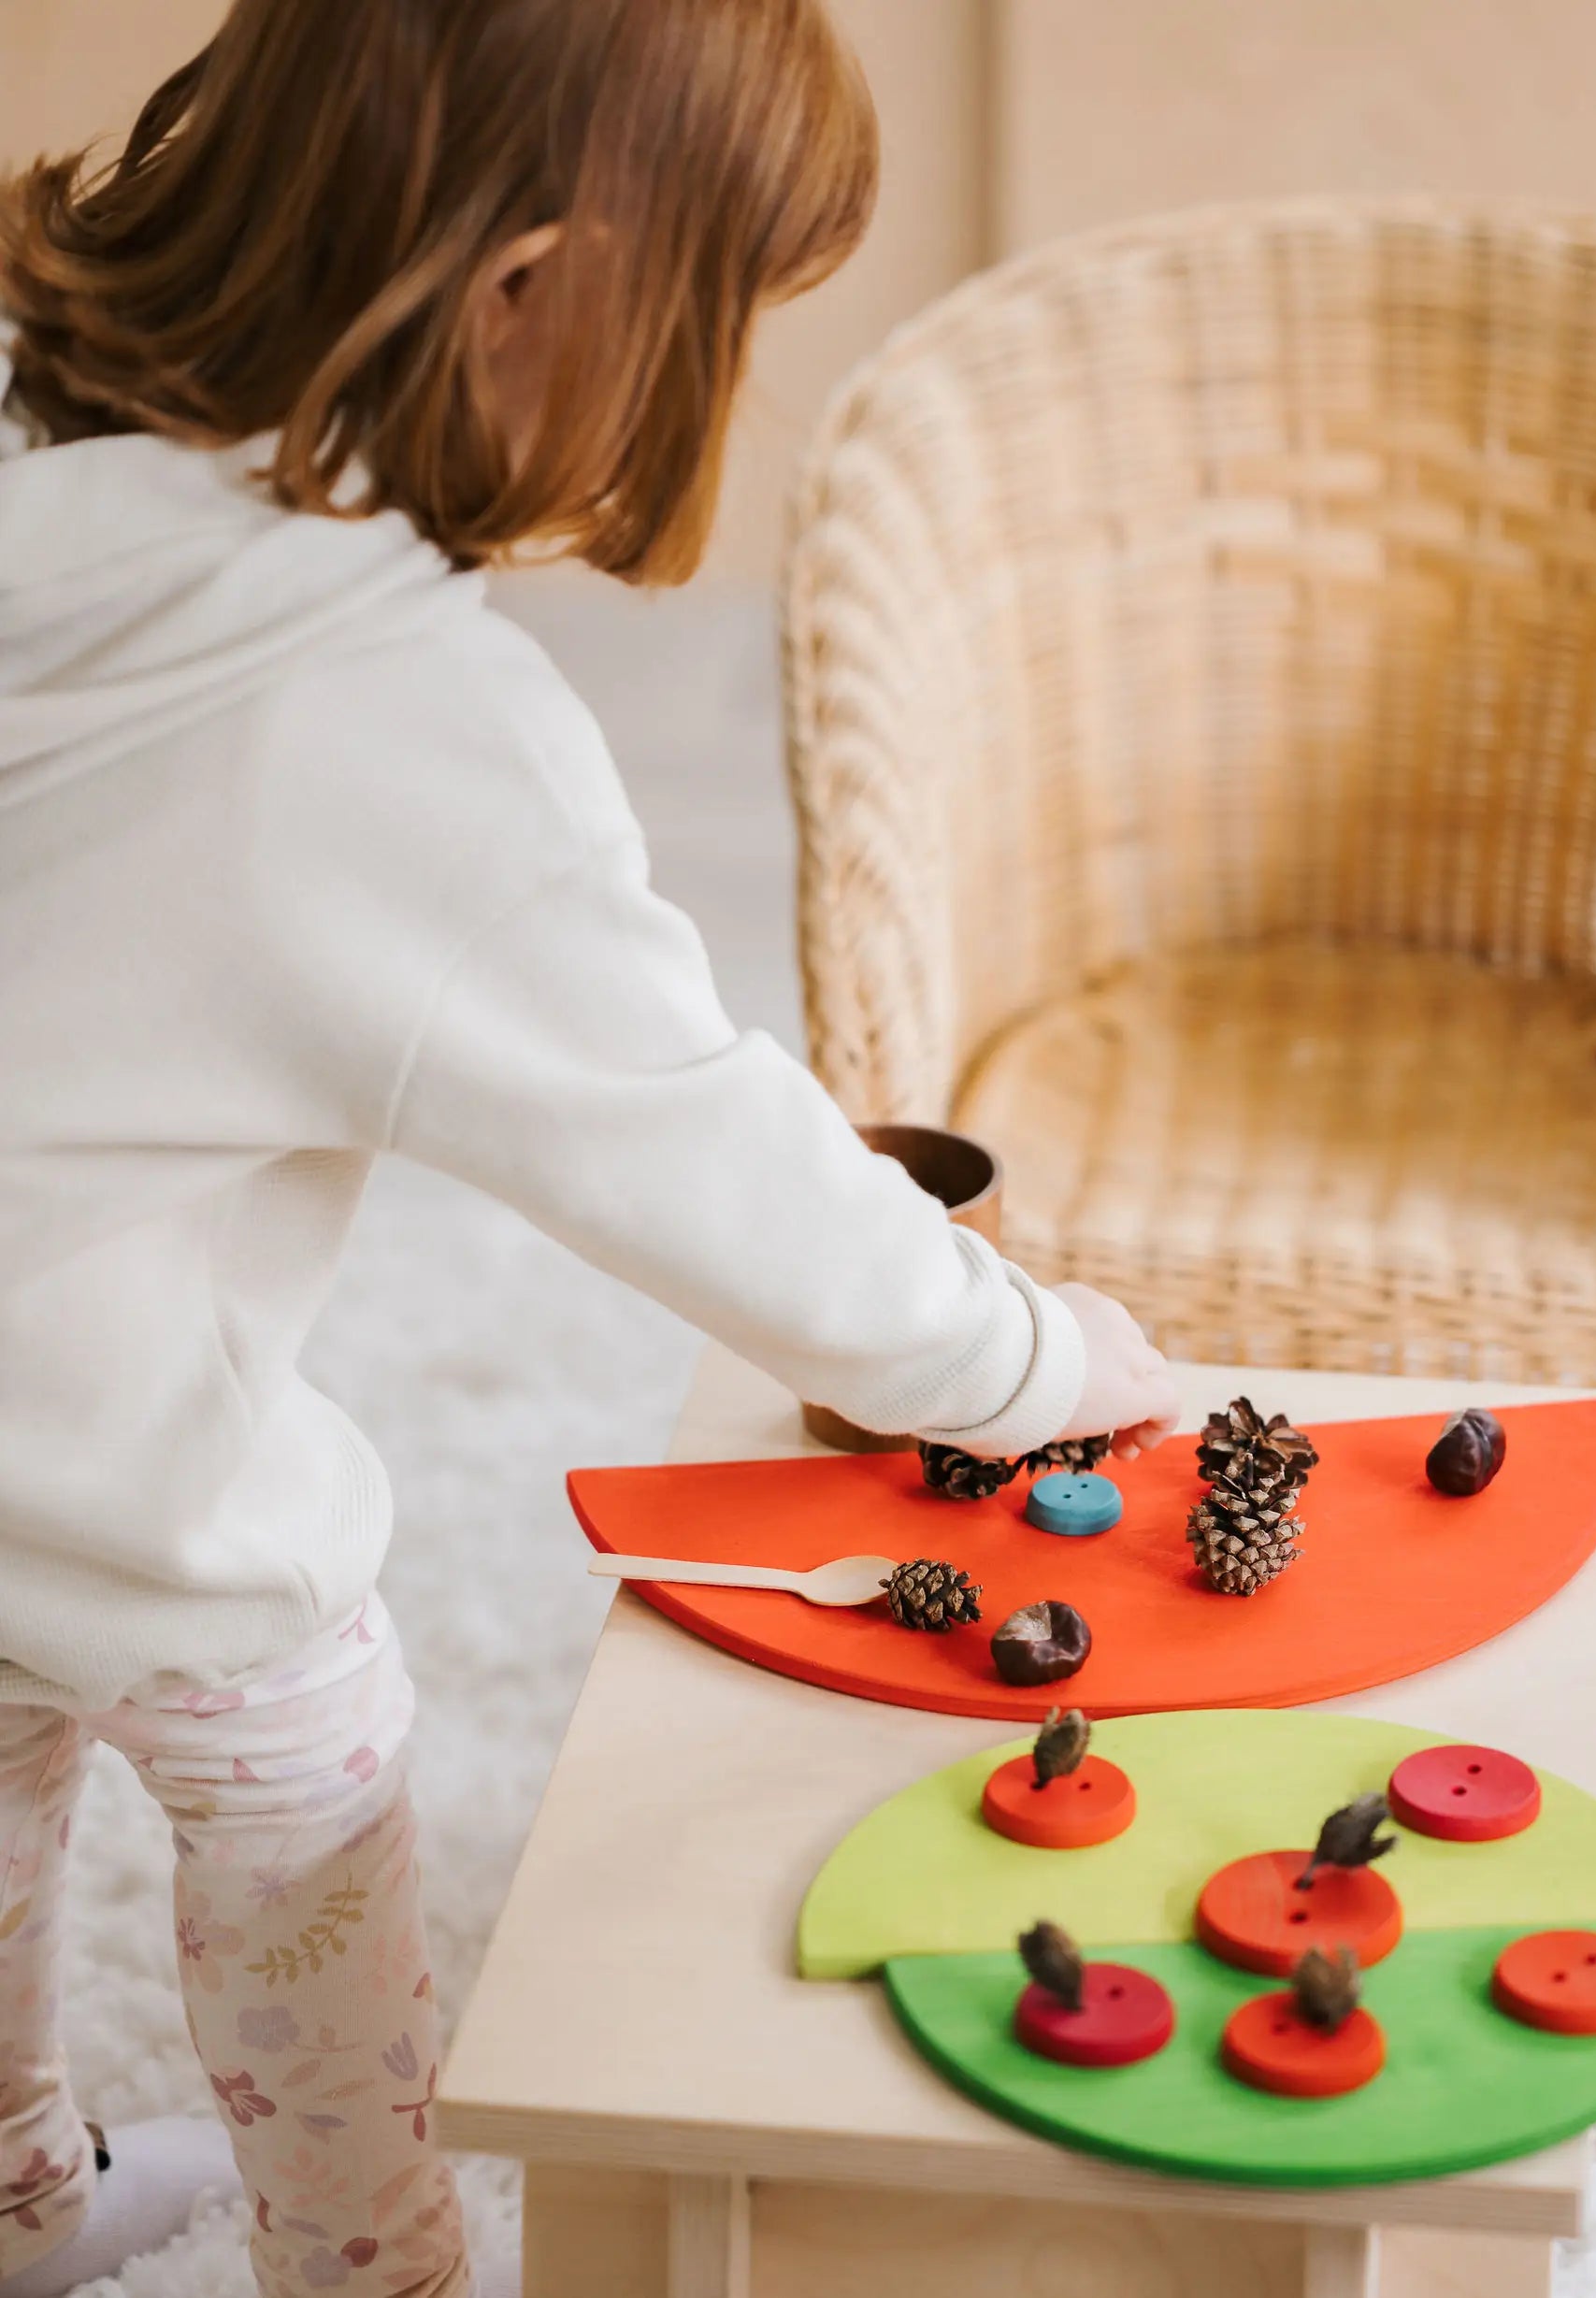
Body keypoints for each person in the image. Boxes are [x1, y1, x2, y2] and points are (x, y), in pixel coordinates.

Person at [0, 5, 1178, 2291]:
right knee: (295, 1746)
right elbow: (715, 1164)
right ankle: (376, 2254)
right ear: (529, 295)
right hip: (95, 1453)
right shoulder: (400, 734)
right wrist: (1038, 1362)